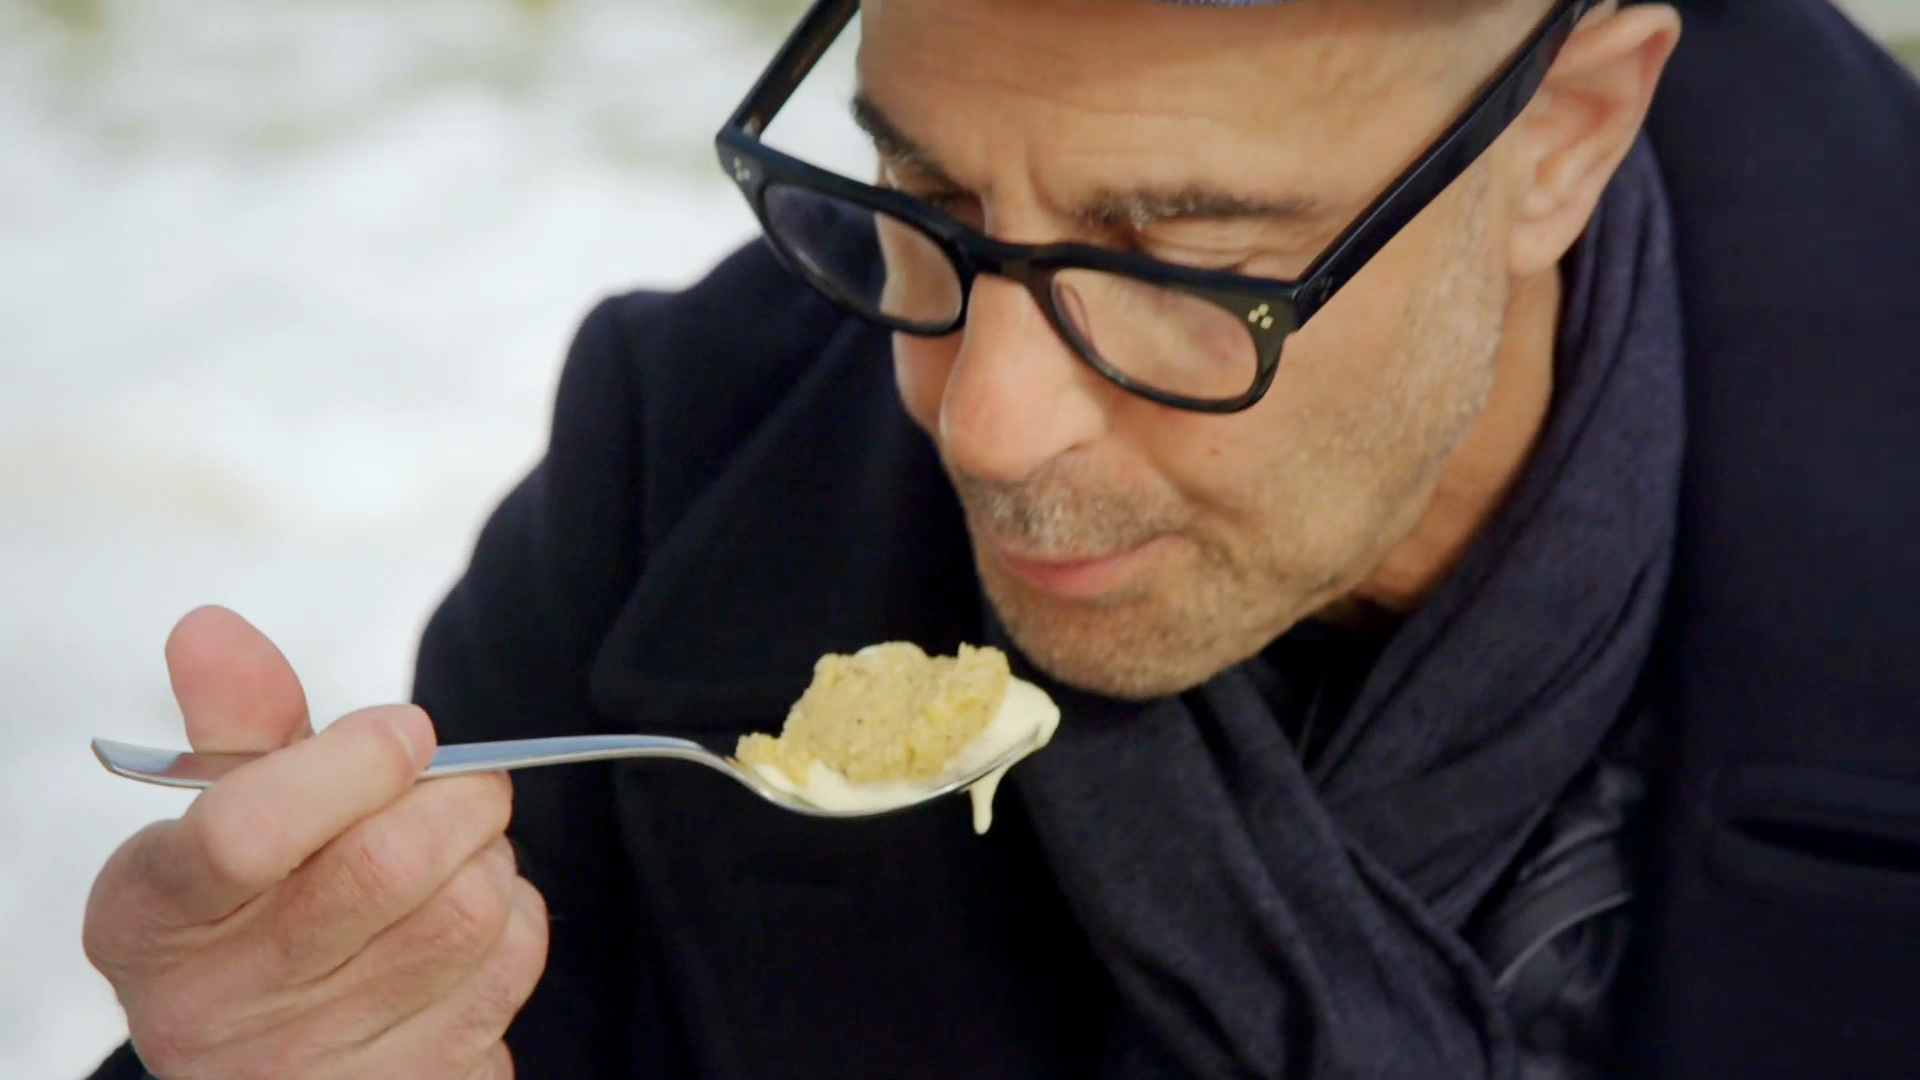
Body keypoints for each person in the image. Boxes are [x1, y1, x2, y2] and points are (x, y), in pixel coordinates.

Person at [80, 0, 1920, 1077]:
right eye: (926, 198)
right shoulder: (677, 484)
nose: (986, 421)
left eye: (1180, 258)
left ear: (1568, 141)